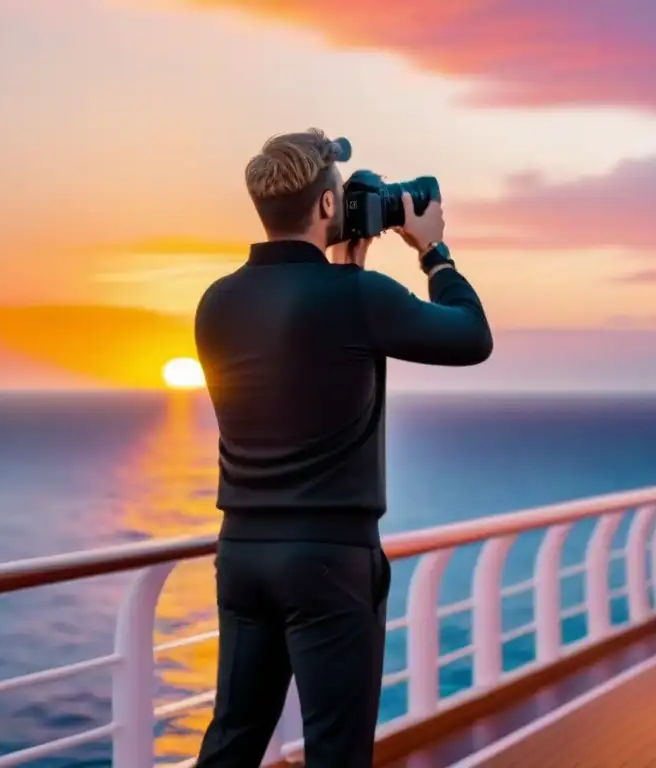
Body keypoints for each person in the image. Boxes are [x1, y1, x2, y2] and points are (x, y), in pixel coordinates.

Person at [193, 129, 493, 767]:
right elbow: (471, 337)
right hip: (330, 561)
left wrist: (347, 270)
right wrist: (433, 250)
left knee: (232, 743)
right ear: (327, 207)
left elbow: (305, 364)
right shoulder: (356, 299)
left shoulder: (216, 302)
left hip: (242, 554)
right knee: (336, 753)